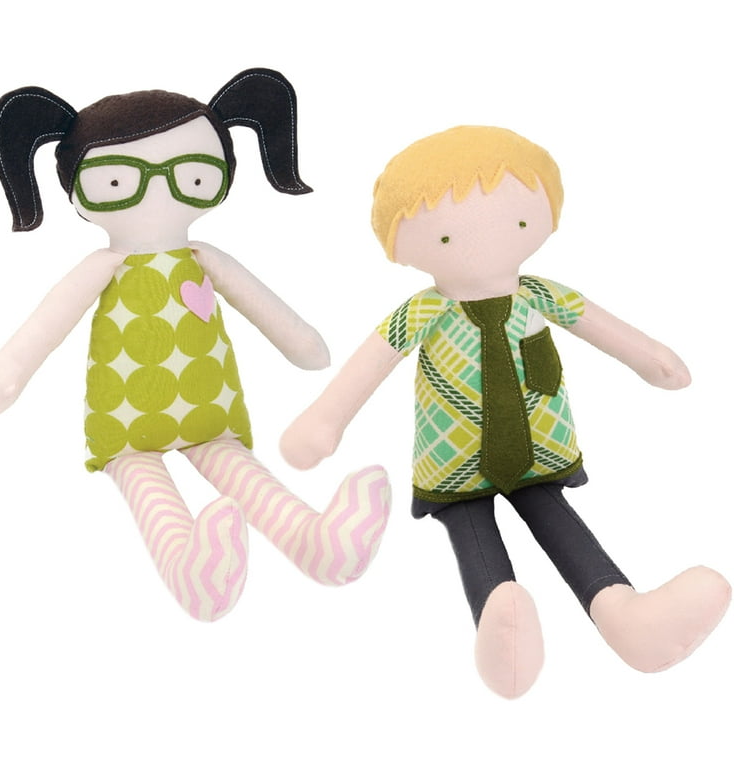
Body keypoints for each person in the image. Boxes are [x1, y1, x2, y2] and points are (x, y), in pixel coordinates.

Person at [280, 125, 730, 698]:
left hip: (540, 456)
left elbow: (603, 327)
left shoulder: (539, 294)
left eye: (517, 222)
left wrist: (652, 359)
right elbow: (368, 364)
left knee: (556, 518)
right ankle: (501, 617)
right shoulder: (423, 311)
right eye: (448, 235)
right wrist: (325, 420)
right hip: (455, 468)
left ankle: (626, 617)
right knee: (473, 527)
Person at [0, 71, 390, 622]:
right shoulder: (103, 266)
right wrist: (6, 375)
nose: (159, 190)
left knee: (237, 466)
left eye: (190, 175)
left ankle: (318, 543)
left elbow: (269, 310)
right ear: (80, 186)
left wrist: (302, 343)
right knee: (145, 482)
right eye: (119, 180)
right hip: (126, 432)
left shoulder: (205, 259)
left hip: (209, 415)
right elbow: (45, 325)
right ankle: (188, 569)